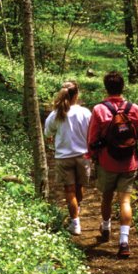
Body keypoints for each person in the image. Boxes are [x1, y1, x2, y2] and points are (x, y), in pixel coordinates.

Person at [87, 70, 138, 258]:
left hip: (107, 162)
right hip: (129, 163)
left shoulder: (99, 109)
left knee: (106, 197)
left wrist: (92, 157)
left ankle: (105, 228)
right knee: (125, 201)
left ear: (106, 88)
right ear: (123, 87)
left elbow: (92, 138)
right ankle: (124, 242)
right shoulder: (134, 108)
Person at [43, 80, 91, 235]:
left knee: (69, 190)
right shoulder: (85, 112)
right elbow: (92, 131)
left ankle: (75, 223)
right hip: (83, 156)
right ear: (76, 95)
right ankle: (76, 210)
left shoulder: (55, 114)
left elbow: (47, 133)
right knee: (79, 187)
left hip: (64, 157)